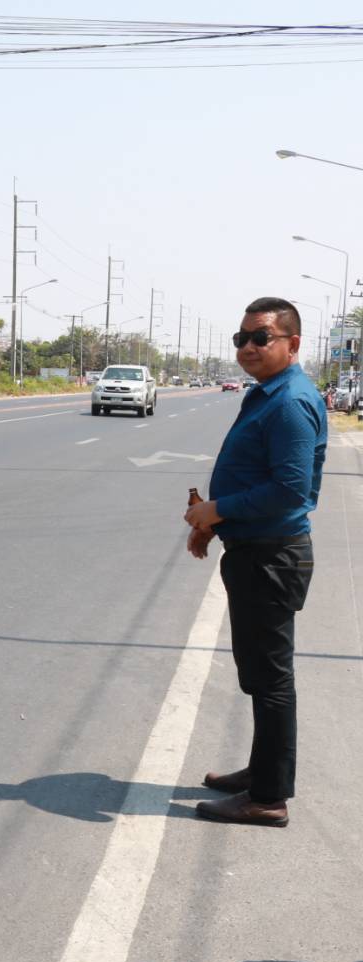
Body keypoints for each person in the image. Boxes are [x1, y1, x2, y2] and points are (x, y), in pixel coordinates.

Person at [183, 296, 326, 827]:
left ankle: (267, 796)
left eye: (260, 337)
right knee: (261, 675)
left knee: (270, 680)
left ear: (292, 342)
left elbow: (290, 490)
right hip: (256, 551)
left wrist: (217, 510)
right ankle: (262, 770)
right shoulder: (269, 393)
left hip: (270, 558)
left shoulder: (289, 402)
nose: (247, 347)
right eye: (241, 338)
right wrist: (212, 523)